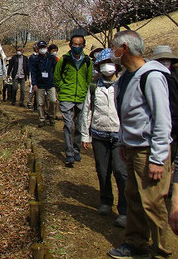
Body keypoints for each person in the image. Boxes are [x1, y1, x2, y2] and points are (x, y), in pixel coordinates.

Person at [107, 31, 172, 259]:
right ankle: (136, 244)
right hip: (132, 147)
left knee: (153, 202)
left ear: (124, 48)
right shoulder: (126, 77)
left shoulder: (151, 76)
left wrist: (158, 158)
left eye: (114, 48)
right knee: (134, 197)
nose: (112, 53)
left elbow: (163, 121)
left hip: (149, 150)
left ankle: (162, 250)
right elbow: (127, 115)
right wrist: (124, 142)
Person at [80, 48, 127, 229]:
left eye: (110, 63)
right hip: (99, 133)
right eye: (103, 64)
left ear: (117, 65)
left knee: (121, 171)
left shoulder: (123, 85)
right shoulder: (94, 86)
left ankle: (124, 210)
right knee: (102, 169)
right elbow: (87, 111)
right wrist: (86, 135)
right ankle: (106, 200)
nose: (107, 67)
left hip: (119, 134)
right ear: (99, 67)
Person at [53, 35, 93, 167]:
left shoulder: (87, 61)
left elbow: (88, 79)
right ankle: (69, 152)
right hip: (67, 96)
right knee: (68, 124)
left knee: (80, 125)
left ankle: (76, 149)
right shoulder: (64, 60)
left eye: (79, 44)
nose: (77, 47)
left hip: (81, 97)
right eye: (74, 44)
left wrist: (83, 91)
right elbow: (57, 76)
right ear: (70, 46)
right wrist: (62, 90)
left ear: (83, 46)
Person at [30, 40, 57, 128]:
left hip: (50, 83)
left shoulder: (51, 58)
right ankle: (41, 119)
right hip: (40, 83)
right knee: (40, 103)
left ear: (47, 47)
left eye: (44, 47)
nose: (42, 49)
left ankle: (51, 116)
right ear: (38, 49)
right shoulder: (35, 59)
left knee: (53, 100)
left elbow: (56, 70)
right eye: (40, 48)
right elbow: (33, 72)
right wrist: (34, 84)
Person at [27, 44, 39, 110]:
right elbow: (30, 69)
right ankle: (29, 102)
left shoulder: (41, 56)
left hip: (39, 76)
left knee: (37, 92)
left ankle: (36, 105)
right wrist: (30, 79)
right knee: (31, 90)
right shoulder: (32, 57)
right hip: (33, 75)